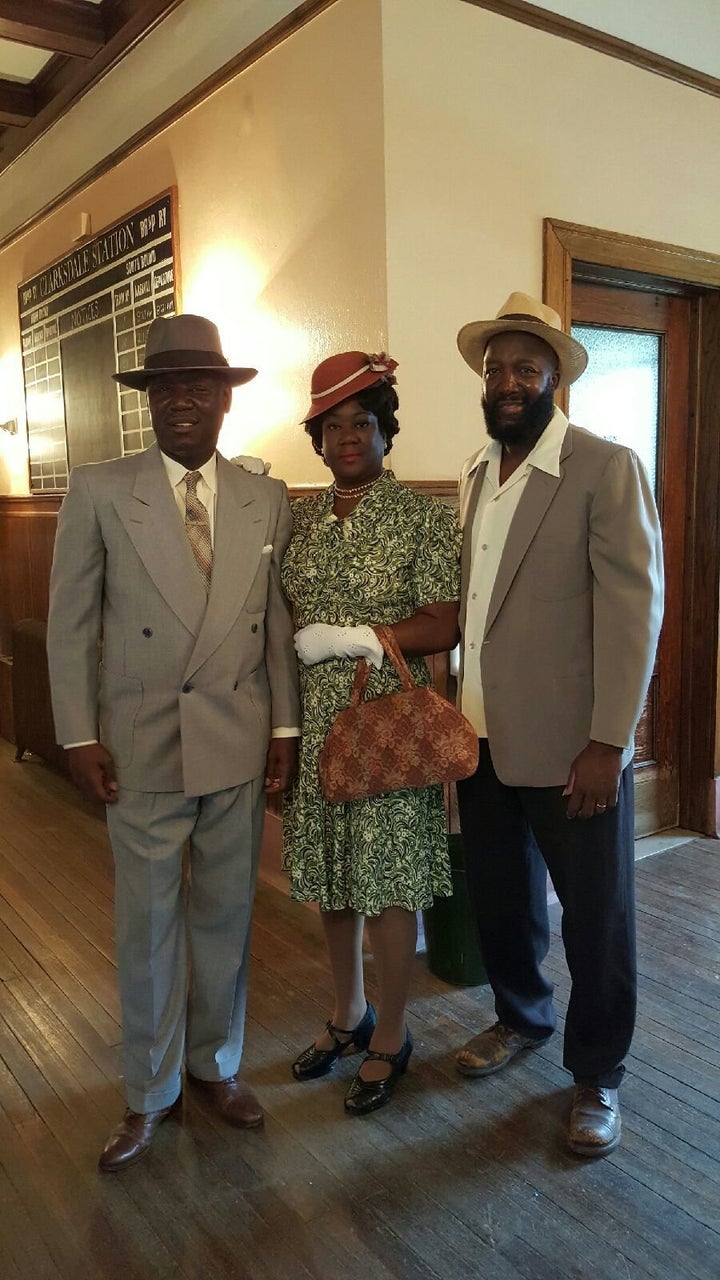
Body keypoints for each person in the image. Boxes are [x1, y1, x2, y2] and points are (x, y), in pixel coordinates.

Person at [46, 314, 299, 1171]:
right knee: (147, 924)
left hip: (234, 737)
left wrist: (285, 728)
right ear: (146, 402)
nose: (180, 401)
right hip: (140, 743)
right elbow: (70, 625)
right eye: (163, 387)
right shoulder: (101, 488)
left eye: (198, 386)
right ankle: (147, 1093)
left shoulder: (267, 496)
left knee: (226, 918)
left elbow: (272, 628)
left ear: (226, 401)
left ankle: (213, 1067)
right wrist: (78, 733)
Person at [453, 293, 664, 1157]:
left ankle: (597, 1078)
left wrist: (609, 741)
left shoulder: (603, 468)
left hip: (575, 749)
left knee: (597, 917)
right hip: (483, 742)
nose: (508, 383)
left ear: (554, 381)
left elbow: (632, 612)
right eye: (497, 369)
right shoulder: (475, 475)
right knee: (504, 902)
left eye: (525, 370)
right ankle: (522, 1018)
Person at [280, 350, 461, 1115]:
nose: (347, 437)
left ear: (386, 431)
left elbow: (445, 621)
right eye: (332, 426)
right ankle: (347, 1012)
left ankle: (392, 1032)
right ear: (316, 439)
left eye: (362, 422)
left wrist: (355, 637)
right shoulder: (300, 520)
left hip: (387, 724)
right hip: (320, 721)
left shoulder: (421, 516)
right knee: (333, 876)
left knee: (388, 881)